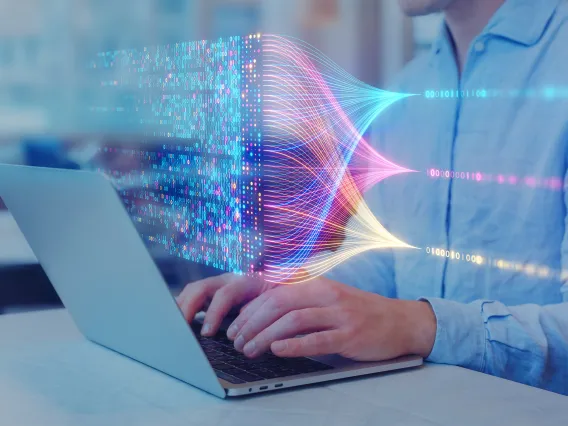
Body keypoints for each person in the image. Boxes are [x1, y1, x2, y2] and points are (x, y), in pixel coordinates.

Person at [177, 0, 568, 395]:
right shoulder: (406, 92)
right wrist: (289, 293)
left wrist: (417, 325)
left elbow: (399, 318)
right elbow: (386, 268)